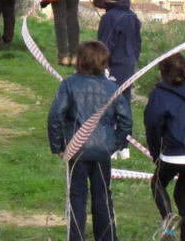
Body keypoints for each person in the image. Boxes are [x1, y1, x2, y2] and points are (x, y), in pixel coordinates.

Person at [47, 41, 132, 241]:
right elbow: (126, 120)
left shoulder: (68, 85)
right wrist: (115, 144)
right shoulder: (113, 88)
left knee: (76, 196)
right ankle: (106, 237)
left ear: (80, 60)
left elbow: (55, 117)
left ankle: (76, 237)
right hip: (102, 150)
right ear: (104, 61)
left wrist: (59, 146)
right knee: (103, 195)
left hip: (76, 149)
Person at [144, 53, 185, 241]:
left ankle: (168, 226)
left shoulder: (159, 94)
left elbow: (153, 125)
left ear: (161, 73)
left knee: (158, 184)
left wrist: (156, 154)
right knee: (182, 194)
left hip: (172, 153)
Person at [97, 0, 142, 103]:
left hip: (113, 68)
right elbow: (138, 44)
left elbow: (104, 46)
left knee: (109, 106)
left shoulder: (109, 17)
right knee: (124, 106)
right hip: (129, 67)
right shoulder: (133, 16)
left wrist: (99, 66)